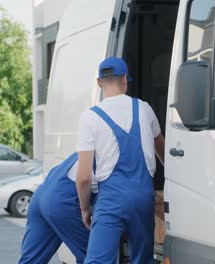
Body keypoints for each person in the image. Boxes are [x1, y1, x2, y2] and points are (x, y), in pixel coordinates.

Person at [76, 57, 165, 264]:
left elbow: (83, 178)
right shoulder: (143, 108)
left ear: (99, 82)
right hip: (143, 197)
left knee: (98, 261)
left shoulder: (90, 118)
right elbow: (163, 154)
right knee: (142, 260)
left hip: (111, 200)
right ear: (125, 80)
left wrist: (85, 209)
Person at [19, 153, 99, 264]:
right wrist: (85, 209)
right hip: (64, 200)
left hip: (43, 192)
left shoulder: (91, 145)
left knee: (31, 260)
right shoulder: (112, 153)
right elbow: (84, 179)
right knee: (96, 257)